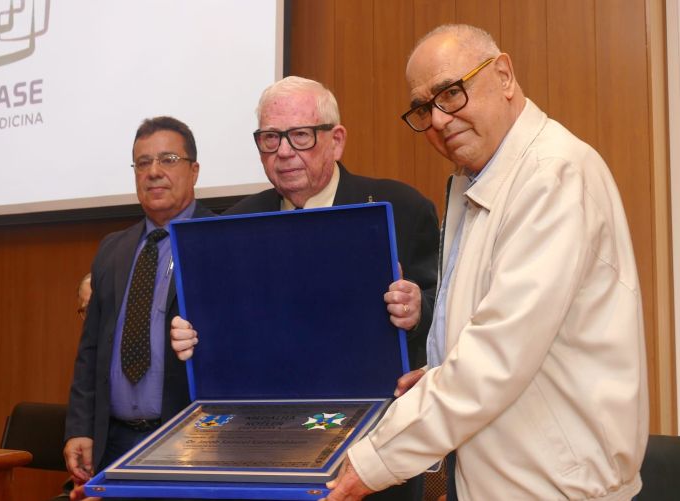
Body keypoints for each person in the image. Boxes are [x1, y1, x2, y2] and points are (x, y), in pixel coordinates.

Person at [321, 24, 649, 501]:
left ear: (504, 75)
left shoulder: (552, 175)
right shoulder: (478, 181)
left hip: (556, 489)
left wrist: (377, 459)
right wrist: (439, 373)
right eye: (423, 108)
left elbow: (497, 355)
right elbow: (501, 335)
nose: (438, 120)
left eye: (451, 93)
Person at [170, 76, 440, 501]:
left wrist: (418, 308)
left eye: (300, 135)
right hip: (263, 447)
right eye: (270, 138)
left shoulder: (404, 208)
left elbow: (450, 312)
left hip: (374, 451)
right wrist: (192, 334)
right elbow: (222, 328)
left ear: (336, 141)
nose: (283, 151)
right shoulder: (233, 224)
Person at [63, 116, 215, 498]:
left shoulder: (219, 240)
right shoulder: (112, 248)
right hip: (113, 443)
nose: (154, 172)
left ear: (194, 170)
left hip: (187, 443)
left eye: (168, 159)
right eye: (143, 162)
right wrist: (80, 428)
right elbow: (90, 350)